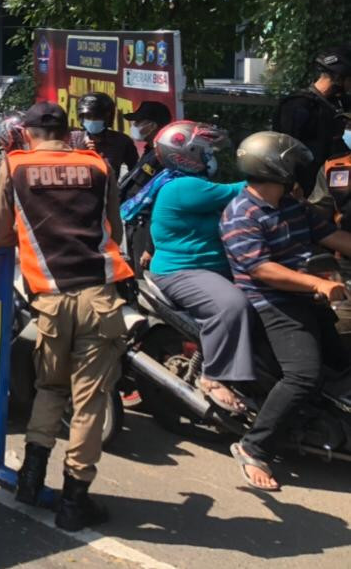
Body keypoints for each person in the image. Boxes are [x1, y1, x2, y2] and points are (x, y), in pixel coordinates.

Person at [0, 101, 133, 531]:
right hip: (100, 298)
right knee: (88, 403)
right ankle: (73, 503)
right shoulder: (98, 164)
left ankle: (30, 480)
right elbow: (115, 230)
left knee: (49, 388)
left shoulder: (14, 165)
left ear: (28, 132)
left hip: (50, 299)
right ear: (68, 131)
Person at [220, 131, 351, 490]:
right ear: (275, 167)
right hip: (273, 304)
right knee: (303, 376)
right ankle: (254, 446)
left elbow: (331, 236)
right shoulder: (240, 214)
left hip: (306, 298)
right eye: (292, 164)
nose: (297, 171)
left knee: (341, 364)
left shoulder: (292, 206)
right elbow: (262, 270)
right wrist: (318, 284)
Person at [144, 121, 255, 414]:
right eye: (207, 150)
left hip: (214, 268)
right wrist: (271, 172)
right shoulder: (183, 186)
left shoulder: (190, 182)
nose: (212, 156)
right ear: (186, 154)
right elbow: (242, 191)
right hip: (181, 272)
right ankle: (214, 376)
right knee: (232, 306)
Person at [272, 46, 351, 196]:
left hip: (333, 181)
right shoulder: (298, 105)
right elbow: (282, 148)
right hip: (304, 187)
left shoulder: (337, 102)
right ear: (339, 78)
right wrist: (292, 183)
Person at [118, 100, 173, 270]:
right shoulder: (150, 151)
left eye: (138, 122)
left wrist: (150, 247)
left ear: (152, 126)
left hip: (146, 227)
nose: (133, 126)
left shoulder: (164, 156)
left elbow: (157, 202)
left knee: (144, 280)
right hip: (135, 224)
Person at [76, 93, 137, 177]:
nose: (92, 120)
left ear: (107, 117)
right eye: (88, 116)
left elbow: (135, 171)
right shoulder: (72, 140)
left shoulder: (121, 141)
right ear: (82, 117)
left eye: (97, 116)